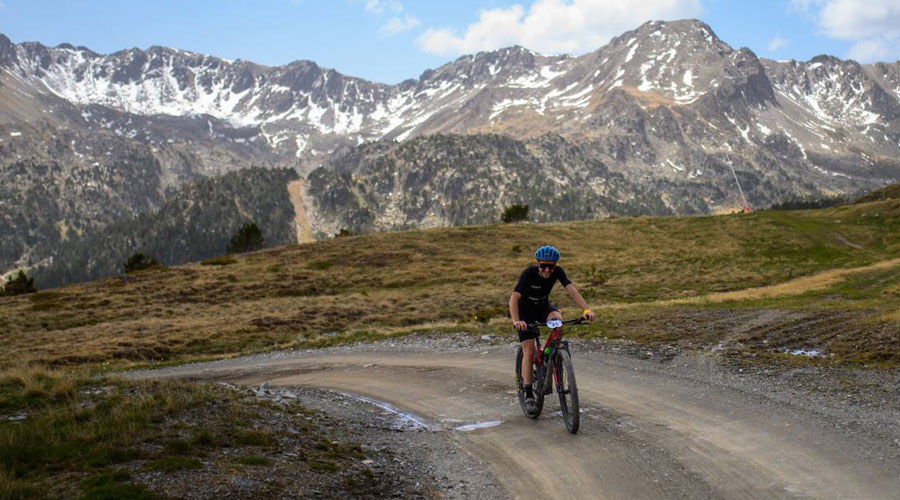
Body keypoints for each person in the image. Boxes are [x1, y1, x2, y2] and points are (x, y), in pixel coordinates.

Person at [509, 245, 595, 413]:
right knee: (529, 351)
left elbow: (571, 290)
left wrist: (586, 310)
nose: (547, 270)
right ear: (538, 264)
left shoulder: (558, 272)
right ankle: (528, 395)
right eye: (543, 266)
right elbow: (514, 297)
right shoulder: (528, 274)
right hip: (524, 313)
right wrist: (516, 320)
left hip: (542, 308)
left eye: (551, 266)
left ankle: (551, 354)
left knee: (558, 322)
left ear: (555, 265)